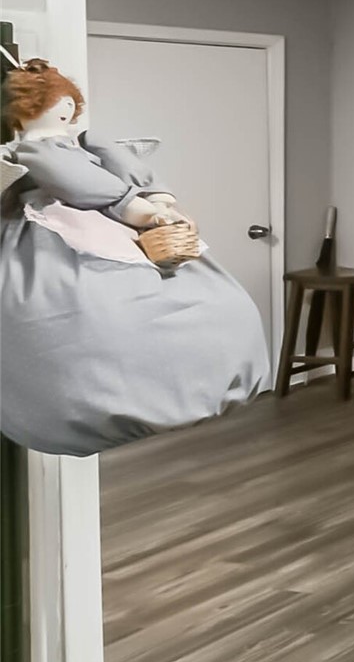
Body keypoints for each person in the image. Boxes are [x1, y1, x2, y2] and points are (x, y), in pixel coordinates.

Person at [1, 59, 270, 455]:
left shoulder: (85, 143)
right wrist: (135, 206)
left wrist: (157, 200)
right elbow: (78, 181)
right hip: (79, 213)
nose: (67, 113)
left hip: (112, 210)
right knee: (89, 309)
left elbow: (121, 165)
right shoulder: (37, 152)